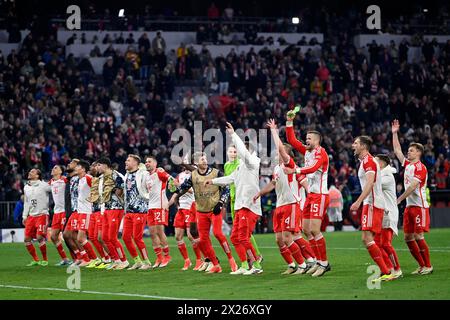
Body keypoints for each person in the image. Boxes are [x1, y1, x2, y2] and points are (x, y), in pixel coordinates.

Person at [254, 119, 312, 275]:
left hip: (291, 204)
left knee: (290, 237)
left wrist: (274, 131)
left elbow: (280, 147)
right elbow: (273, 184)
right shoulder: (277, 169)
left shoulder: (290, 164)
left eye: (280, 152)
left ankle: (304, 264)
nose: (277, 153)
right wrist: (259, 193)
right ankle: (292, 265)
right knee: (279, 240)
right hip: (279, 206)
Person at [206, 122, 263, 275]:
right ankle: (244, 265)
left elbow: (244, 152)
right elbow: (230, 178)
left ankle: (256, 264)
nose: (236, 153)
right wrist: (213, 181)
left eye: (238, 150)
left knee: (244, 237)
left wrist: (233, 134)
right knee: (234, 237)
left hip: (249, 206)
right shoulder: (240, 167)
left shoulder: (252, 163)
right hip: (239, 205)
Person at [170, 151, 236, 274]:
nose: (205, 161)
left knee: (217, 233)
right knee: (203, 239)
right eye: (201, 159)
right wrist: (174, 188)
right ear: (195, 163)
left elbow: (226, 187)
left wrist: (221, 202)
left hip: (214, 209)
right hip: (201, 211)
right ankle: (216, 265)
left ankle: (231, 260)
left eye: (205, 159)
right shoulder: (193, 175)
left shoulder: (216, 173)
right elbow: (183, 187)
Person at [284, 111, 331, 277]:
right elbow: (291, 140)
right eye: (306, 138)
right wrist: (289, 122)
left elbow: (311, 169)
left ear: (317, 141)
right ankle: (318, 261)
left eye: (309, 139)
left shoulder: (321, 153)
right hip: (310, 195)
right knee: (305, 229)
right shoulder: (308, 152)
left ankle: (324, 263)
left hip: (320, 195)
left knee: (315, 230)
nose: (306, 140)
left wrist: (295, 169)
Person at [350, 136, 395, 282]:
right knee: (370, 239)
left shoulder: (369, 161)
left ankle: (387, 271)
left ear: (363, 146)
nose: (353, 145)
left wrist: (358, 201)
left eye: (356, 143)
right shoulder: (365, 161)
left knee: (367, 238)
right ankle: (387, 270)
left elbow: (370, 183)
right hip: (371, 203)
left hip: (372, 203)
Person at [392, 119, 433, 275]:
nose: (408, 152)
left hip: (419, 206)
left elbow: (412, 186)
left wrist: (400, 198)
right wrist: (394, 133)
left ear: (419, 153)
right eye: (408, 150)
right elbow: (397, 150)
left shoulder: (421, 168)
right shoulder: (408, 165)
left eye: (412, 150)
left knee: (418, 235)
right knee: (408, 237)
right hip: (410, 206)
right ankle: (421, 265)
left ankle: (428, 265)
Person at [224, 145, 262, 262]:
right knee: (238, 232)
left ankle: (256, 256)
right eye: (230, 151)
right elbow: (229, 181)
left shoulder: (241, 163)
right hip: (233, 200)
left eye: (235, 152)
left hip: (243, 200)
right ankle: (247, 259)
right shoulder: (226, 165)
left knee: (244, 232)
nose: (233, 154)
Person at [96, 157, 128, 270]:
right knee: (104, 237)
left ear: (105, 165)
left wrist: (113, 190)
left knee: (112, 237)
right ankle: (116, 260)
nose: (97, 167)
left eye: (99, 165)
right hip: (106, 208)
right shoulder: (101, 178)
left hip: (116, 208)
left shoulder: (116, 175)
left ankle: (124, 260)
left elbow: (122, 191)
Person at [122, 155, 153, 270]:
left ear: (135, 162)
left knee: (137, 237)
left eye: (128, 160)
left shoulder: (144, 174)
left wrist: (146, 201)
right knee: (125, 237)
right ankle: (137, 261)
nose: (126, 162)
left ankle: (147, 262)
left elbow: (151, 188)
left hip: (140, 210)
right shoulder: (127, 175)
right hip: (128, 211)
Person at [375, 154, 402, 278]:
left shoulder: (387, 176)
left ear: (383, 163)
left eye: (376, 162)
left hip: (388, 213)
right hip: (382, 213)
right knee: (377, 244)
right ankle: (388, 268)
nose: (374, 164)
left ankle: (397, 269)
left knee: (385, 243)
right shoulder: (382, 175)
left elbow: (375, 184)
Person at [170, 163, 202, 271]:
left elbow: (191, 190)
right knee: (178, 236)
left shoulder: (195, 175)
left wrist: (178, 184)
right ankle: (187, 261)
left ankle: (199, 260)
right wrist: (168, 204)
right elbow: (177, 191)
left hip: (190, 207)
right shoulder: (180, 175)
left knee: (190, 235)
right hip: (181, 209)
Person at [145, 156, 173, 268]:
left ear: (155, 164)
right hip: (150, 206)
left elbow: (170, 179)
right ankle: (159, 258)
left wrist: (169, 199)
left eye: (149, 162)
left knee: (160, 231)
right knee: (152, 233)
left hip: (160, 206)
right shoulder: (147, 176)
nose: (147, 163)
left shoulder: (159, 172)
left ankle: (167, 256)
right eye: (146, 162)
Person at [63, 159, 90, 265]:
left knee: (80, 236)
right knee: (68, 235)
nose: (69, 164)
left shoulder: (83, 178)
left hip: (82, 210)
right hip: (74, 209)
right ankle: (81, 257)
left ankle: (89, 258)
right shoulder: (72, 179)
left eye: (73, 163)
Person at [23, 168, 51, 266]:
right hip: (31, 216)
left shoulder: (44, 185)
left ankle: (45, 260)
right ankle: (35, 260)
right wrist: (24, 216)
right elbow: (26, 202)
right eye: (30, 171)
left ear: (38, 176)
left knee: (40, 237)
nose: (30, 172)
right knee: (27, 239)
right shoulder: (26, 187)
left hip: (42, 215)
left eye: (33, 172)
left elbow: (55, 190)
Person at [86, 161, 112, 269]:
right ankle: (105, 258)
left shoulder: (102, 178)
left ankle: (111, 258)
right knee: (93, 237)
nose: (93, 167)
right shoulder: (96, 179)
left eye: (96, 165)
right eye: (93, 166)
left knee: (101, 237)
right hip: (94, 210)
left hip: (101, 210)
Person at [74, 160, 99, 267]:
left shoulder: (88, 178)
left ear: (83, 169)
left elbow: (97, 187)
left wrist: (93, 199)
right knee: (80, 238)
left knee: (81, 238)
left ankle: (95, 258)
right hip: (81, 212)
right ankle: (92, 259)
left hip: (87, 212)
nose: (76, 168)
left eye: (78, 166)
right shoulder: (80, 180)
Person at [48, 165, 71, 266]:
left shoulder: (65, 180)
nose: (53, 169)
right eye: (53, 168)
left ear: (61, 171)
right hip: (56, 212)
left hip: (64, 212)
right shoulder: (51, 182)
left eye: (56, 168)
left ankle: (80, 257)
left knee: (68, 236)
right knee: (53, 236)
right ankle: (65, 259)